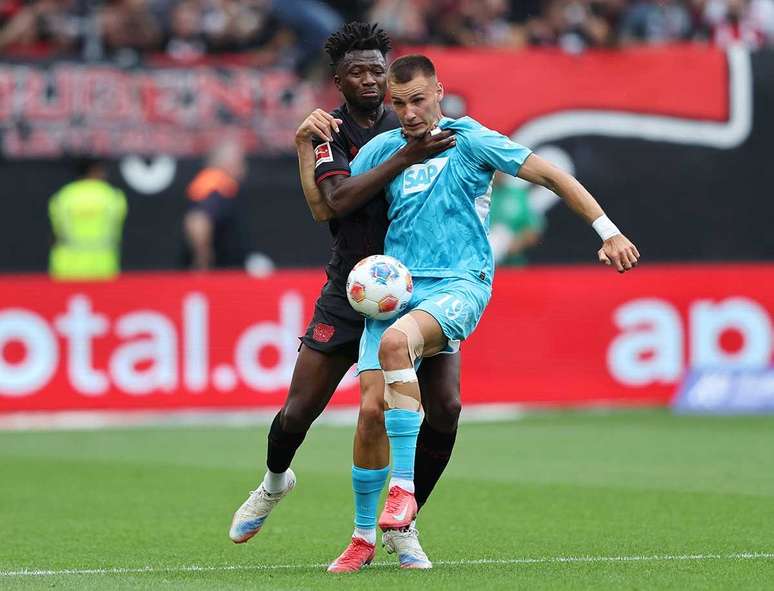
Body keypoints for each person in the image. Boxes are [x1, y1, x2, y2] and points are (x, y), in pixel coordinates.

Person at [323, 53, 639, 569]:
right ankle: (362, 538)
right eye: (399, 103)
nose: (409, 112)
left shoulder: (470, 139)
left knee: (398, 344)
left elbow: (551, 176)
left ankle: (402, 497)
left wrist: (609, 232)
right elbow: (332, 202)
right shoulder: (383, 148)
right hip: (397, 288)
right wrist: (305, 148)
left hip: (459, 282)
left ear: (439, 92)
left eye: (418, 100)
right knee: (371, 413)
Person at [228, 23, 457, 571]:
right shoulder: (328, 132)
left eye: (378, 70)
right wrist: (401, 158)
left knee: (445, 407)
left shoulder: (412, 120)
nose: (370, 80)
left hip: (418, 286)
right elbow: (333, 201)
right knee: (299, 410)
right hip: (352, 288)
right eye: (357, 72)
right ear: (338, 80)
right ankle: (274, 482)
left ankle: (404, 523)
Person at [48, 157, 127, 281]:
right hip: (103, 265)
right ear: (94, 170)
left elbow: (56, 233)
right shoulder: (113, 197)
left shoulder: (63, 197)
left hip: (66, 267)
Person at [181, 138, 247, 270]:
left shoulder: (221, 184)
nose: (244, 168)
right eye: (240, 162)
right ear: (228, 163)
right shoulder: (214, 184)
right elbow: (197, 219)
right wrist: (202, 258)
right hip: (216, 273)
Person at [488, 172, 545, 267]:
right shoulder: (475, 196)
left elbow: (533, 229)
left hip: (513, 266)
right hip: (479, 265)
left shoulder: (518, 195)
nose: (498, 172)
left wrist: (513, 246)